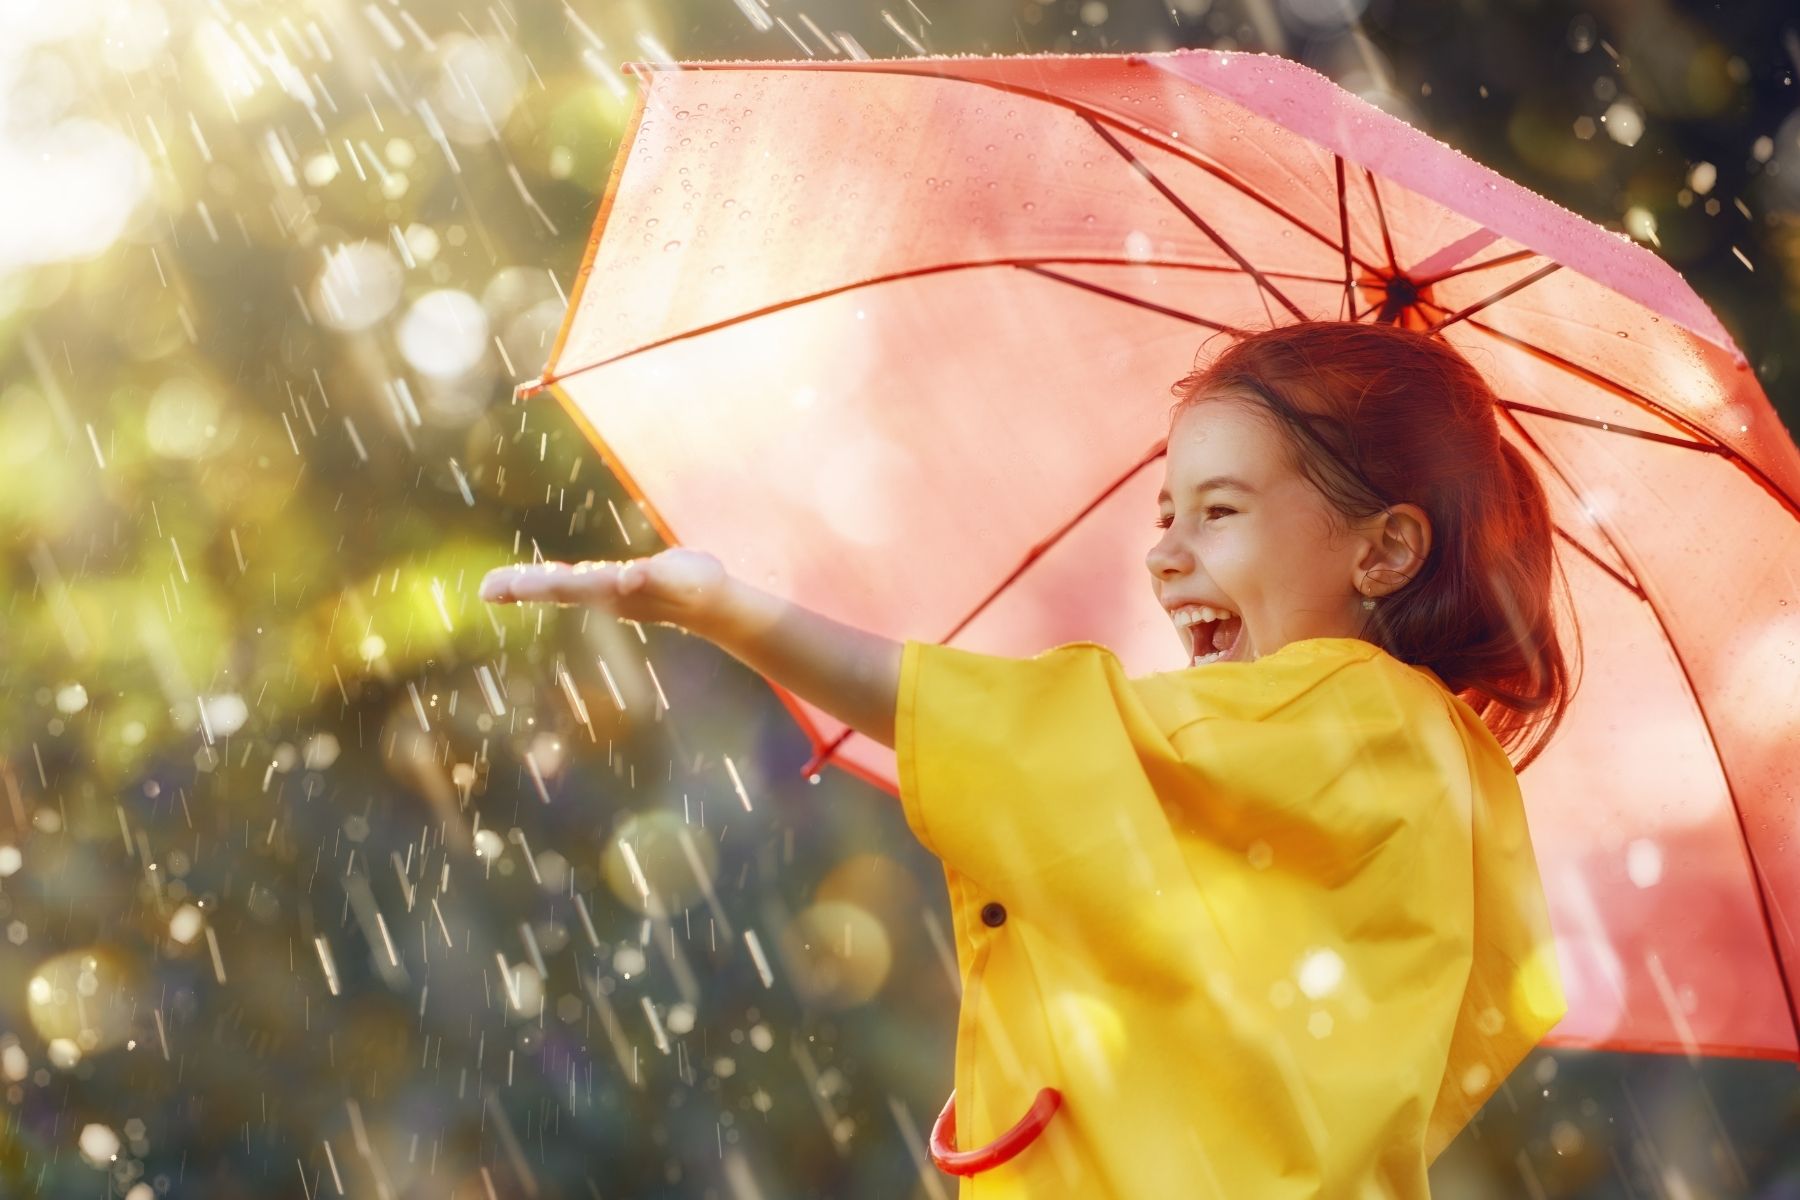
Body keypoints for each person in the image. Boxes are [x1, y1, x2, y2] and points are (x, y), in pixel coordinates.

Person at [479, 319, 1578, 1198]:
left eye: (1221, 512)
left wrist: (734, 613)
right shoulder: (1425, 768)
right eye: (1166, 514)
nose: (1165, 555)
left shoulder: (1360, 717)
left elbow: (1044, 738)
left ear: (1386, 550)